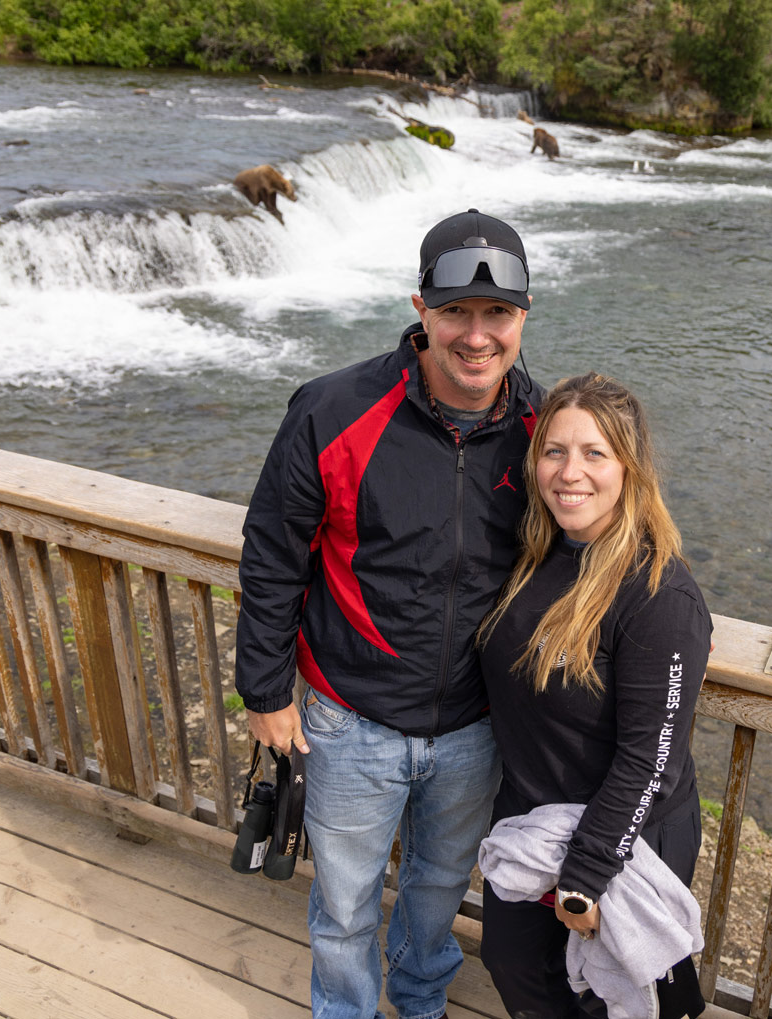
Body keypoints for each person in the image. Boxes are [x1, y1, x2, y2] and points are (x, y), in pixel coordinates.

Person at [234, 208, 543, 1019]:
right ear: (420, 311)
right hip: (350, 717)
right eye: (455, 313)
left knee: (440, 889)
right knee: (343, 905)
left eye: (497, 315)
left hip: (478, 724)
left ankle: (420, 997)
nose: (476, 337)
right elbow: (273, 551)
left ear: (525, 316)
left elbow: (597, 551)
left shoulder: (550, 431)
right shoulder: (331, 409)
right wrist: (264, 690)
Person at [477, 372, 713, 1019]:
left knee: (618, 993)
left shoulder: (659, 594)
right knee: (517, 964)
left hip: (623, 835)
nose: (569, 471)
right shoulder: (540, 551)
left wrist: (586, 874)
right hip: (533, 819)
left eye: (594, 453)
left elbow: (652, 758)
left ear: (629, 468)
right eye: (554, 450)